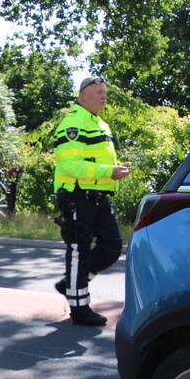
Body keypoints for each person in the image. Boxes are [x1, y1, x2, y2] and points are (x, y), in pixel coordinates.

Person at [51, 75, 131, 326]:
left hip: (98, 197)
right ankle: (79, 310)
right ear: (83, 95)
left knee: (112, 246)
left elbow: (96, 161)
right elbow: (70, 164)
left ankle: (72, 283)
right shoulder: (73, 123)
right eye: (99, 92)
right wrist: (108, 171)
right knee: (78, 250)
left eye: (105, 92)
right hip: (78, 196)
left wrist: (114, 170)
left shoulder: (100, 124)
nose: (104, 97)